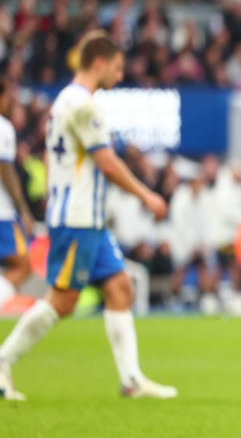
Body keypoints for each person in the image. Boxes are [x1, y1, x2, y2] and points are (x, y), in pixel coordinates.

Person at [0, 31, 175, 401]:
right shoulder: (84, 105)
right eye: (117, 67)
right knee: (62, 301)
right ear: (99, 63)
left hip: (84, 218)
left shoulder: (64, 101)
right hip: (78, 218)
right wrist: (147, 194)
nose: (120, 75)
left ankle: (131, 380)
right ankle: (2, 362)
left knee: (119, 287)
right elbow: (106, 162)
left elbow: (53, 158)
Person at [0, 78, 34, 309]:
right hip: (2, 213)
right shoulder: (3, 126)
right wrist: (23, 211)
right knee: (24, 266)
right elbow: (6, 170)